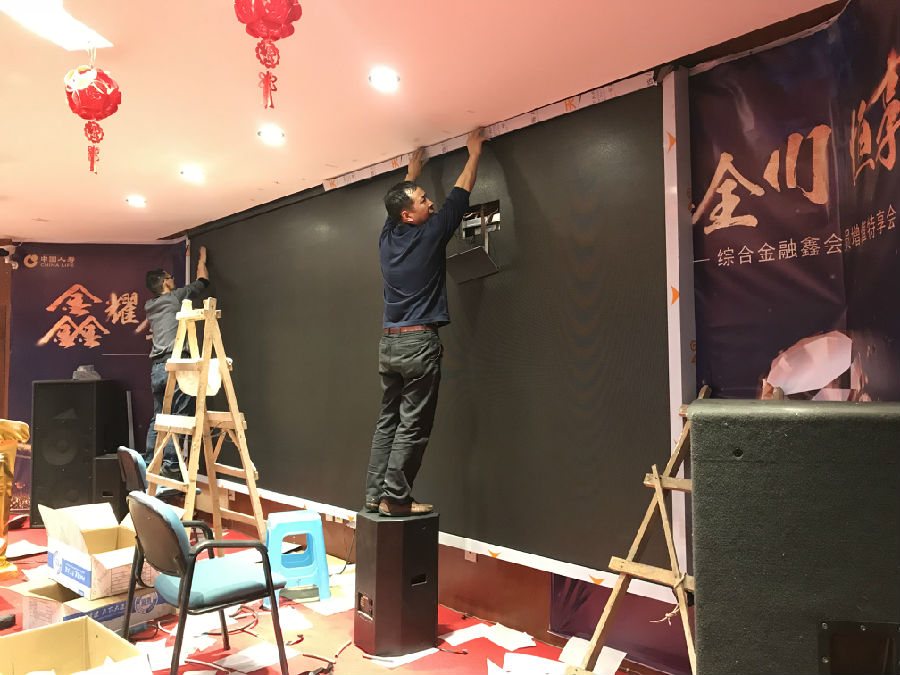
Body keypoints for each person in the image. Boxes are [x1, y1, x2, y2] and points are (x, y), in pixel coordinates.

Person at [365, 129, 487, 517]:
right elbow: (460, 193)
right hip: (418, 345)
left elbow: (402, 201)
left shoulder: (387, 237)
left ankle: (375, 495)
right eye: (422, 200)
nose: (430, 203)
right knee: (412, 425)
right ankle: (395, 498)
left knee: (388, 422)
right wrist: (474, 153)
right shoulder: (431, 234)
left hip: (390, 344)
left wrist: (412, 173)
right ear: (408, 215)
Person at [144, 246, 209, 478]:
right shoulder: (174, 297)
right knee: (180, 415)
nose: (173, 280)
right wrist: (202, 259)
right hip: (178, 363)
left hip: (157, 368)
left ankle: (149, 463)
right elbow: (202, 282)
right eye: (170, 277)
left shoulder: (149, 306)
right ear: (165, 283)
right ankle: (171, 465)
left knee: (159, 418)